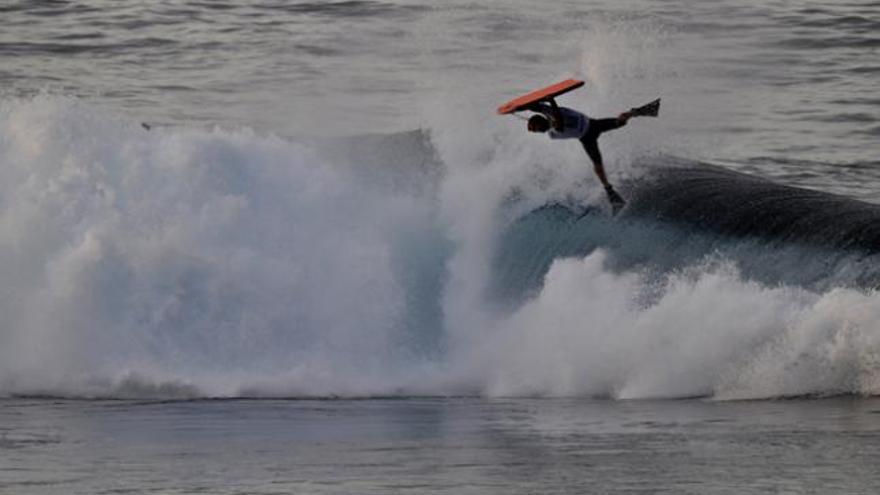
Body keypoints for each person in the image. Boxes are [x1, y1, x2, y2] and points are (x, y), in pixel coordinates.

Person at [526, 99, 632, 212]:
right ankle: (610, 192)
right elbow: (559, 123)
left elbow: (537, 107)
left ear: (540, 122)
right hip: (587, 138)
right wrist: (552, 100)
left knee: (621, 122)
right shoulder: (553, 133)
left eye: (537, 129)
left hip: (593, 124)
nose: (539, 132)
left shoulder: (548, 111)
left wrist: (523, 107)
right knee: (598, 167)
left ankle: (636, 112)